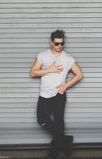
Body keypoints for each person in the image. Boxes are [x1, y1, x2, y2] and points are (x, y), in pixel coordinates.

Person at [30, 29, 83, 159]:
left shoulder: (68, 58)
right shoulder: (43, 55)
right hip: (44, 94)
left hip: (59, 94)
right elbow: (33, 73)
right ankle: (66, 141)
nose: (60, 46)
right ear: (51, 43)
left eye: (62, 43)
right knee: (42, 120)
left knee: (59, 122)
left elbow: (79, 75)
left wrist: (65, 86)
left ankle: (54, 152)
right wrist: (50, 69)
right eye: (57, 44)